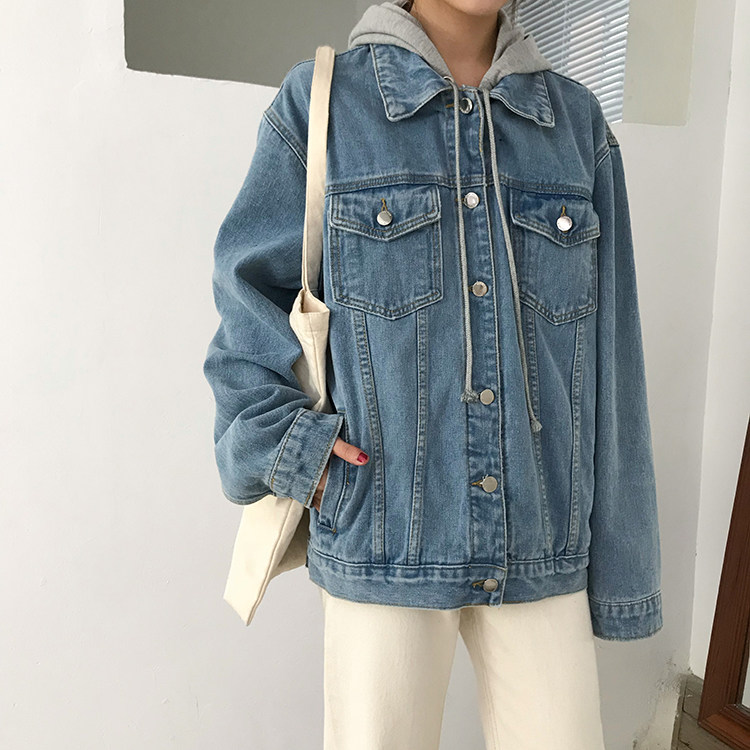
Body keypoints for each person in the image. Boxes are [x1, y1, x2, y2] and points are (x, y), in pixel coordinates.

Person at [203, 0, 663, 747]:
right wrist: (292, 451)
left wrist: (623, 566)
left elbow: (614, 361)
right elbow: (246, 304)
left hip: (541, 537)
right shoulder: (324, 104)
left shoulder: (576, 126)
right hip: (383, 526)